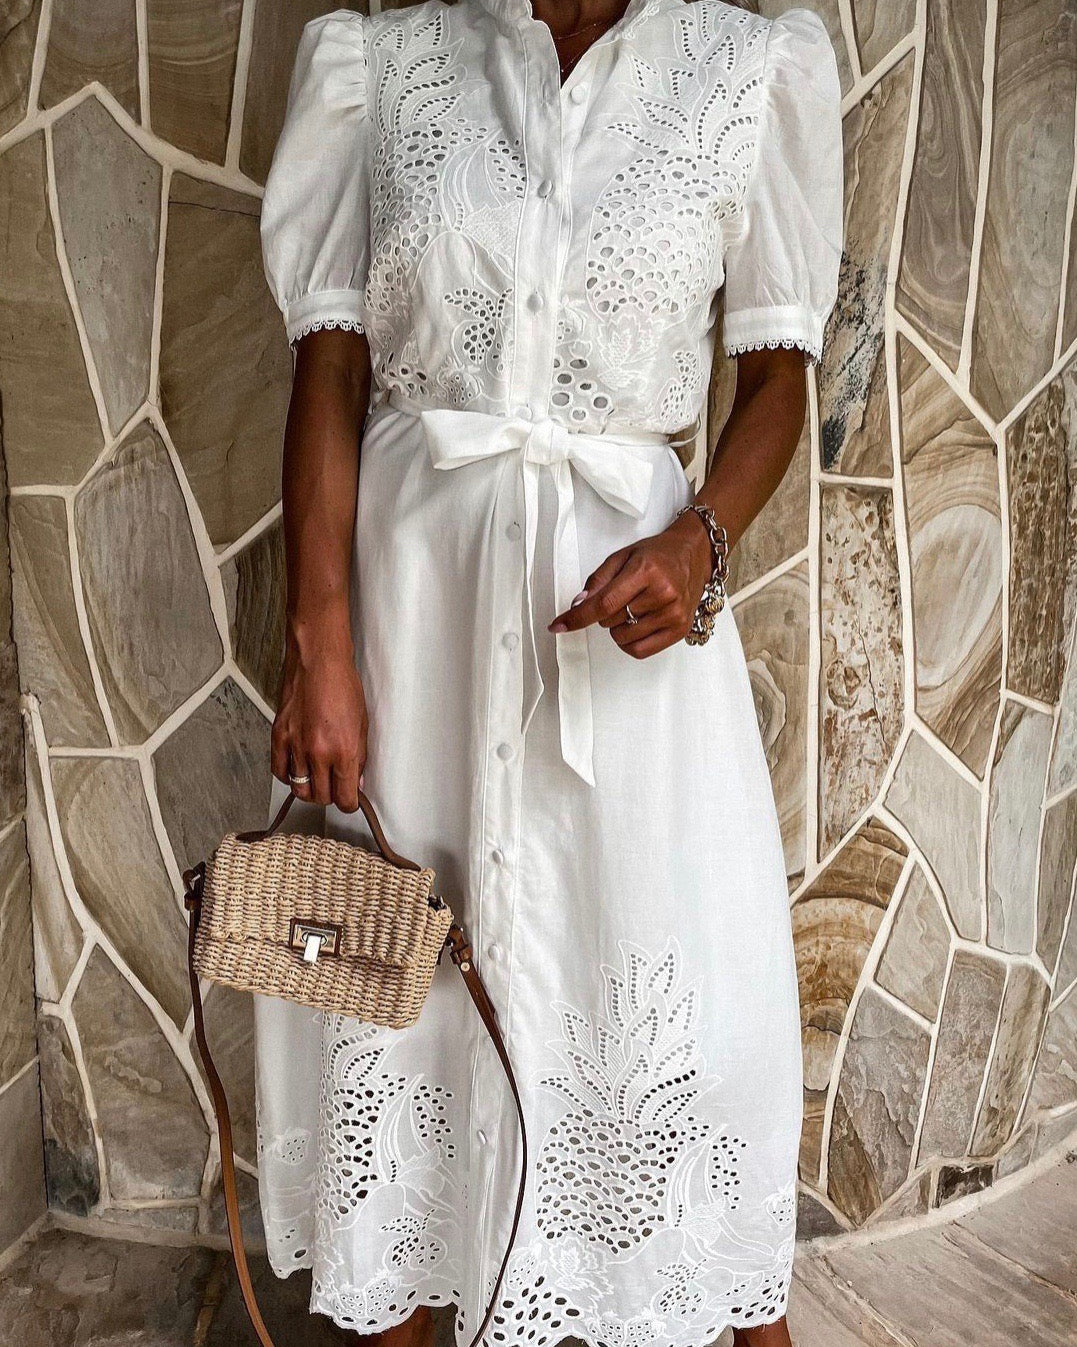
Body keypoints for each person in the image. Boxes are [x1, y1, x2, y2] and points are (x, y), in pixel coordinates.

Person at [255, 2, 843, 1345]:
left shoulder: (745, 71)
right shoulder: (383, 65)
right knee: (397, 980)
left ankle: (701, 1290)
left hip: (625, 639)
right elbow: (329, 365)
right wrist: (320, 644)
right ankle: (402, 1289)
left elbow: (775, 378)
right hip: (414, 619)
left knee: (674, 977)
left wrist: (701, 542)